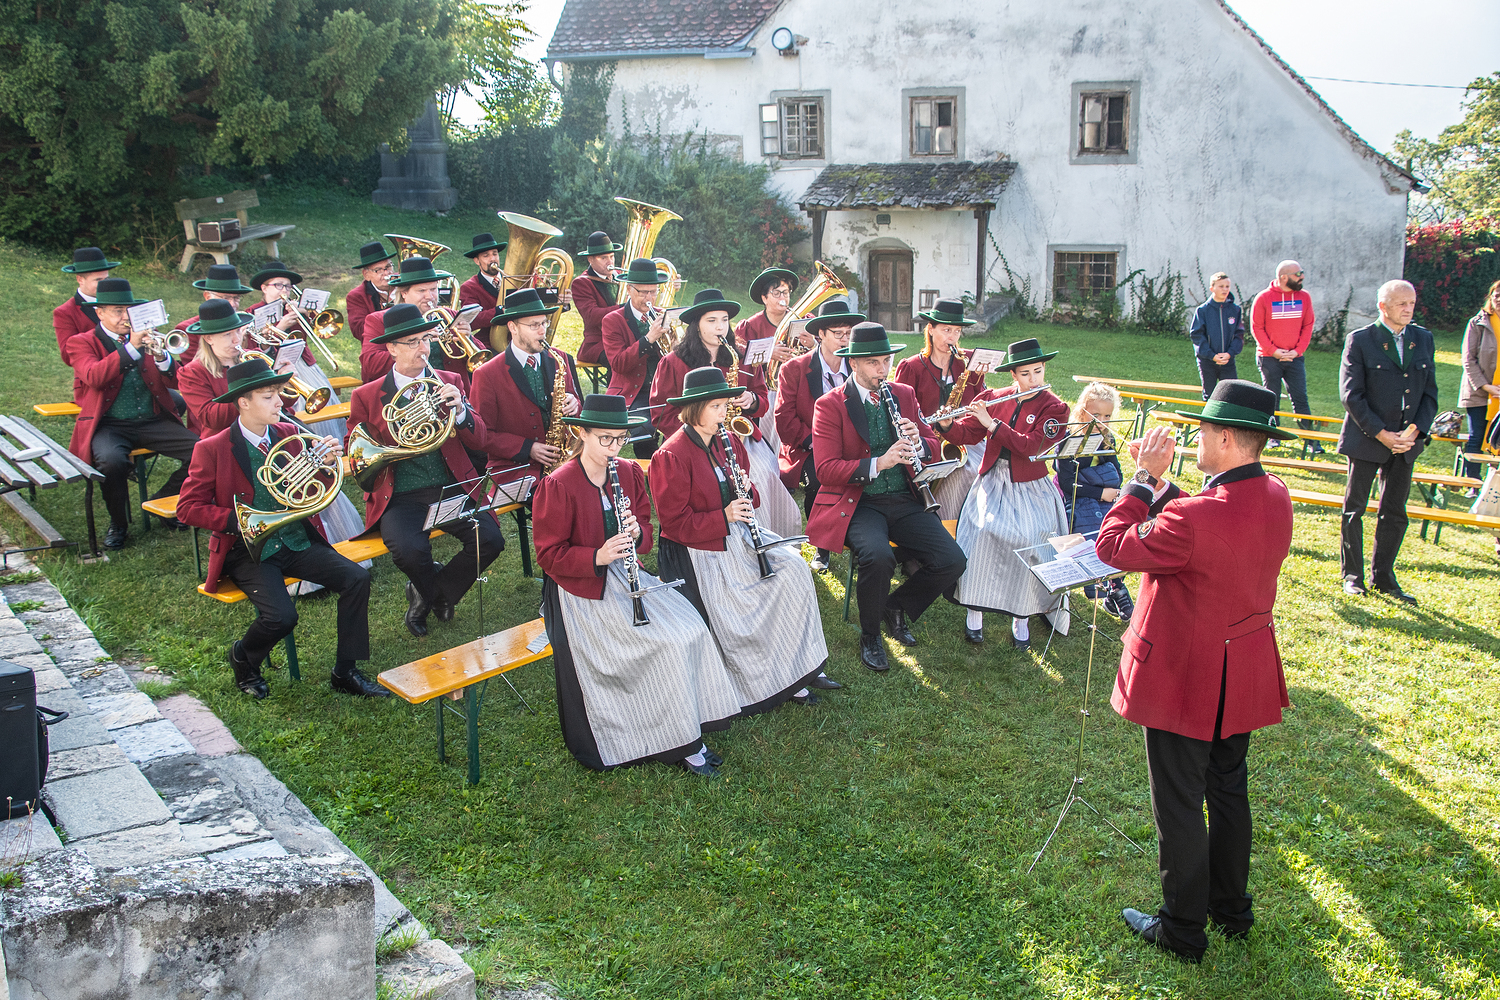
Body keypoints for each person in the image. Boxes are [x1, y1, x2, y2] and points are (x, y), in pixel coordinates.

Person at [1095, 381, 1297, 964]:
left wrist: (1140, 482)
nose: (1195, 439)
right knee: (1228, 790)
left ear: (1227, 437)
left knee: (1180, 801)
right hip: (1241, 669)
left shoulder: (1193, 517)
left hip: (1187, 674)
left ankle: (1182, 929)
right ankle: (1231, 910)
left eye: (1204, 431)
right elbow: (1214, 524)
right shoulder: (1275, 494)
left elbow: (1114, 547)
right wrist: (1167, 491)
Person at [532, 394, 741, 777]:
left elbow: (645, 533)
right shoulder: (558, 484)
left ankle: (686, 724)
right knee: (664, 644)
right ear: (582, 433)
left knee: (691, 628)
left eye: (620, 439)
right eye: (605, 439)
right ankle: (677, 742)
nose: (613, 448)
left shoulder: (628, 472)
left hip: (627, 575)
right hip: (581, 588)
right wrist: (597, 556)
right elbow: (548, 555)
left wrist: (636, 533)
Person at [176, 357, 383, 700]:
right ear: (244, 403)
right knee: (282, 617)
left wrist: (324, 467)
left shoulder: (288, 434)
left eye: (278, 394)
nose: (279, 402)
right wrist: (239, 521)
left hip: (295, 540)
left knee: (357, 579)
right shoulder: (212, 448)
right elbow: (187, 508)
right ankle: (244, 658)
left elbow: (308, 490)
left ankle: (345, 671)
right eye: (269, 396)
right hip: (249, 551)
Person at [650, 366, 832, 708]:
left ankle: (800, 667)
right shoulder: (671, 455)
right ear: (694, 409)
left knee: (794, 571)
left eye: (725, 406)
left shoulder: (730, 441)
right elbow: (674, 524)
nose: (724, 414)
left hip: (738, 534)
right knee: (749, 601)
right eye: (716, 407)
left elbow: (751, 498)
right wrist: (724, 516)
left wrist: (747, 491)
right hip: (699, 548)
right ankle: (772, 679)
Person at [808, 322, 967, 671]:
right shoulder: (829, 405)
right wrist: (878, 463)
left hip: (905, 499)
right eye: (873, 363)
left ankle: (896, 606)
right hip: (859, 503)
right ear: (853, 363)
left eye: (886, 361)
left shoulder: (903, 394)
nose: (882, 370)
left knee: (952, 560)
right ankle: (871, 635)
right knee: (879, 557)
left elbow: (931, 443)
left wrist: (919, 443)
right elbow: (826, 469)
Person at [348, 304, 502, 637]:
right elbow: (356, 451)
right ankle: (436, 594)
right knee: (408, 551)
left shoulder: (449, 381)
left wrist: (462, 411)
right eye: (413, 342)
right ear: (391, 348)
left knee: (490, 539)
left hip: (451, 486)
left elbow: (480, 439)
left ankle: (429, 595)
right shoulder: (367, 396)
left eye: (427, 339)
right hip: (401, 494)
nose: (423, 349)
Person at [178, 299, 369, 556]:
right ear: (208, 339)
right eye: (226, 335)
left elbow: (282, 404)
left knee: (313, 467)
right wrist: (250, 396)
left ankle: (330, 542)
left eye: (238, 331)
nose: (236, 339)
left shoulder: (252, 358)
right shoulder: (192, 372)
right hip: (231, 443)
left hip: (276, 430)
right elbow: (209, 417)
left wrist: (282, 385)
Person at [945, 339, 1071, 647]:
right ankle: (974, 612)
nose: (1033, 379)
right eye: (1025, 374)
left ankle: (1021, 615)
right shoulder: (995, 398)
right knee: (979, 534)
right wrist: (947, 425)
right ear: (1013, 374)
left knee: (1029, 540)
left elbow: (1031, 447)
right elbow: (967, 433)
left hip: (1031, 485)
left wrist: (993, 424)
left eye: (1038, 371)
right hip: (992, 480)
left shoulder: (1054, 408)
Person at [649, 288, 803, 539]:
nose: (720, 327)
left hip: (740, 439)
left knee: (763, 474)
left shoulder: (741, 356)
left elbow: (763, 399)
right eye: (711, 320)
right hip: (692, 443)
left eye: (724, 320)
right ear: (696, 325)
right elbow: (660, 413)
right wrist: (697, 436)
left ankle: (766, 537)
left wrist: (752, 399)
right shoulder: (673, 362)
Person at [67, 278, 199, 549]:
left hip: (152, 420)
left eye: (129, 311)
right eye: (118, 311)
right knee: (111, 462)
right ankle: (118, 522)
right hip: (109, 424)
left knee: (202, 452)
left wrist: (162, 357)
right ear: (99, 313)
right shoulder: (81, 342)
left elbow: (177, 382)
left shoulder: (146, 338)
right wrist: (131, 348)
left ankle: (163, 500)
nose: (126, 317)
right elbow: (94, 376)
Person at [1337, 280, 1439, 605]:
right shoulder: (1361, 340)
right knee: (1355, 509)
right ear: (1383, 306)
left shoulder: (1423, 338)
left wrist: (1414, 432)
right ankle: (1352, 577)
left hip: (1406, 443)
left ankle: (1383, 577)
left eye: (1412, 303)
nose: (1408, 309)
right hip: (1368, 438)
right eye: (1401, 304)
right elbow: (1351, 395)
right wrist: (1382, 433)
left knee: (1394, 511)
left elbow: (1430, 393)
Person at [775, 299, 862, 571]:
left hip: (852, 444)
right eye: (838, 334)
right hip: (807, 447)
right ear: (820, 334)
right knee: (819, 477)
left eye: (849, 334)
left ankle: (861, 536)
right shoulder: (794, 369)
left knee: (868, 474)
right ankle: (822, 547)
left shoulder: (858, 366)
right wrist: (818, 442)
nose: (845, 340)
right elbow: (784, 419)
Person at [471, 288, 582, 489]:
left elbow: (579, 409)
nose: (542, 331)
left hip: (564, 463)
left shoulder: (560, 358)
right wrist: (528, 448)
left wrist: (575, 404)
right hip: (516, 468)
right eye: (533, 325)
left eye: (544, 323)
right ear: (512, 327)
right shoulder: (486, 374)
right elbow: (482, 435)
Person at [892, 298, 986, 520]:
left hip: (964, 437)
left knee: (987, 467)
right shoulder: (912, 367)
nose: (952, 337)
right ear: (931, 330)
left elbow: (979, 399)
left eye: (957, 331)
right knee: (963, 471)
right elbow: (900, 412)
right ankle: (944, 521)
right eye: (946, 330)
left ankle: (972, 523)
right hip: (925, 441)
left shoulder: (968, 362)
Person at [1054, 382, 1134, 621]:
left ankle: (1114, 586)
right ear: (1082, 412)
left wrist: (1109, 489)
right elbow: (1067, 482)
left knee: (1119, 528)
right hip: (1075, 496)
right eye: (1096, 415)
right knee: (1092, 528)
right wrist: (1100, 493)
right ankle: (1112, 587)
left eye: (1107, 416)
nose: (1102, 421)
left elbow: (1116, 473)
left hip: (1103, 497)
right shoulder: (1070, 439)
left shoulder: (1107, 439)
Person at [249, 267, 345, 441]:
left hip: (301, 362)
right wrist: (281, 326)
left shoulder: (292, 308)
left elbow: (304, 340)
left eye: (288, 286)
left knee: (326, 402)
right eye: (279, 285)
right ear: (264, 288)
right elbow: (253, 348)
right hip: (272, 366)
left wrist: (305, 315)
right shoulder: (253, 312)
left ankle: (333, 443)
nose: (284, 290)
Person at [360, 256, 474, 385]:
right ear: (404, 293)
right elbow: (371, 365)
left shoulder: (448, 315)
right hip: (406, 390)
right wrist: (417, 344)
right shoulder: (379, 320)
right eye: (421, 291)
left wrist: (467, 338)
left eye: (433, 289)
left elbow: (480, 360)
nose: (429, 296)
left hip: (453, 389)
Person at [602, 258, 675, 458]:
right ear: (629, 289)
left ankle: (669, 464)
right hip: (633, 392)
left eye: (653, 292)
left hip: (664, 389)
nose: (649, 298)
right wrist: (649, 338)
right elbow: (619, 364)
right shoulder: (613, 320)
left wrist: (677, 346)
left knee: (684, 424)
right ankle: (652, 469)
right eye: (643, 292)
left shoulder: (663, 316)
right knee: (645, 432)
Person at [735, 266, 811, 451]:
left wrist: (812, 345)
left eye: (786, 292)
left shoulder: (803, 321)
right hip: (768, 392)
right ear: (764, 298)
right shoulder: (750, 326)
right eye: (776, 293)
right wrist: (769, 354)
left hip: (799, 389)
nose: (782, 298)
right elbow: (740, 360)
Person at [1251, 260, 1318, 450]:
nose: (1302, 277)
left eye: (1302, 272)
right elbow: (1257, 327)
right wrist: (1274, 351)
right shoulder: (1264, 298)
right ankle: (1272, 437)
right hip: (1269, 357)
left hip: (1295, 358)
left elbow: (1308, 325)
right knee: (1271, 398)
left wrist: (1297, 351)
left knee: (1300, 398)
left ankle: (1311, 441)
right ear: (1283, 277)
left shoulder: (1304, 297)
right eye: (1298, 274)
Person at [170, 264, 256, 364]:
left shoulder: (243, 322)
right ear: (207, 297)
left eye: (236, 298)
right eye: (226, 298)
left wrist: (264, 345)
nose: (232, 304)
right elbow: (195, 367)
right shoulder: (186, 330)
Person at [1459, 280, 1500, 483]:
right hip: (1479, 391)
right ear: (1490, 298)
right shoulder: (1478, 323)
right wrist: (1486, 386)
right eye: (1496, 295)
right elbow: (1468, 359)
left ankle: (1494, 485)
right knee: (1476, 437)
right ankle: (1472, 482)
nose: (1499, 300)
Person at [54, 247, 116, 373]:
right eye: (98, 280)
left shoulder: (120, 303)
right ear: (80, 280)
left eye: (106, 279)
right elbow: (68, 356)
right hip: (96, 373)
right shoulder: (65, 312)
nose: (105, 285)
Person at [572, 231, 623, 366]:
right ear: (590, 259)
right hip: (599, 342)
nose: (610, 262)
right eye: (603, 258)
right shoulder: (582, 283)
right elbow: (592, 316)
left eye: (612, 256)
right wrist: (623, 308)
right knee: (620, 358)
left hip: (625, 338)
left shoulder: (621, 277)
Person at [1189, 273, 1244, 400]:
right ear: (1212, 288)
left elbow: (1239, 334)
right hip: (1207, 361)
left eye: (1227, 286)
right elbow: (1197, 336)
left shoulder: (1235, 310)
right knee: (1210, 396)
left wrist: (1229, 353)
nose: (1225, 289)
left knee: (1231, 396)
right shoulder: (1202, 310)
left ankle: (1228, 415)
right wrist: (1211, 355)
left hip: (1228, 361)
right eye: (1221, 286)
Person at [457, 232, 507, 351]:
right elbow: (472, 320)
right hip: (490, 345)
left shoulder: (513, 279)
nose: (493, 259)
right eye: (486, 256)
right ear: (477, 261)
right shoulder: (469, 287)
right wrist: (500, 311)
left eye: (495, 254)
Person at [346, 241, 397, 344]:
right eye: (378, 270)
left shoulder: (405, 283)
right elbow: (359, 330)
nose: (386, 273)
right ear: (366, 275)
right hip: (381, 346)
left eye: (388, 267)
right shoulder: (356, 296)